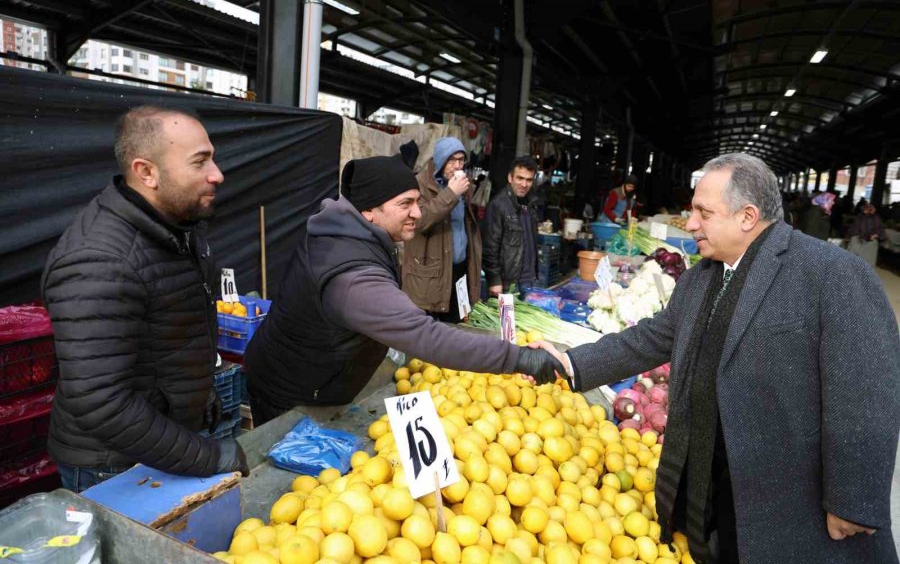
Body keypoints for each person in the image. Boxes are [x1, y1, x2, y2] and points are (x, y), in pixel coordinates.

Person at [541, 153, 899, 564]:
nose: (690, 223)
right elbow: (648, 339)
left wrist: (854, 497)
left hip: (793, 503)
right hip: (719, 490)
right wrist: (570, 364)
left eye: (703, 213)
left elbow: (867, 388)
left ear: (747, 216)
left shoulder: (829, 273)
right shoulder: (701, 277)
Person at [244, 154, 561, 426]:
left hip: (313, 376)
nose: (418, 213)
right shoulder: (350, 276)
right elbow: (426, 337)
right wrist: (518, 358)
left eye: (417, 202)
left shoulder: (355, 235)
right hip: (289, 393)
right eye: (405, 204)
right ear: (369, 210)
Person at [41, 106, 249, 492]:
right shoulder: (99, 260)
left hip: (165, 439)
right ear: (146, 172)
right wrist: (207, 456)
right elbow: (102, 403)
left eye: (213, 157)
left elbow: (174, 336)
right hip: (115, 466)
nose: (217, 173)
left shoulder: (175, 225)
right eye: (200, 161)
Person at [402, 137, 480, 323]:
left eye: (461, 160)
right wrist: (451, 193)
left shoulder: (462, 186)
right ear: (439, 160)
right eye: (451, 160)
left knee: (458, 328)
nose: (457, 165)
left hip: (459, 272)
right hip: (431, 276)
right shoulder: (419, 184)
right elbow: (419, 221)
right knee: (431, 336)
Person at [483, 156, 539, 296]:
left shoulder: (531, 205)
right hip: (508, 283)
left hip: (528, 279)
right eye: (520, 178)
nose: (524, 184)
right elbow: (490, 247)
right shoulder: (498, 205)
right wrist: (494, 280)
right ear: (510, 178)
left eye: (529, 180)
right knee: (506, 318)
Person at [845, 201, 886, 267]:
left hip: (864, 242)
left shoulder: (864, 217)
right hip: (862, 241)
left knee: (854, 263)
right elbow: (881, 232)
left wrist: (876, 235)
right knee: (863, 264)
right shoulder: (874, 218)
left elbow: (854, 229)